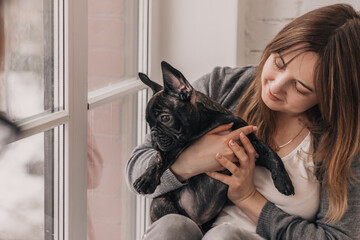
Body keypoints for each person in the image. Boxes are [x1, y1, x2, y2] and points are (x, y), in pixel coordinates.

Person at [126, 4, 360, 239]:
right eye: (278, 63)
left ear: (330, 96)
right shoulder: (221, 86)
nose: (276, 86)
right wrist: (191, 161)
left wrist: (250, 199)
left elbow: (340, 237)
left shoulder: (345, 141)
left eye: (300, 87)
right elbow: (135, 173)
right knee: (171, 227)